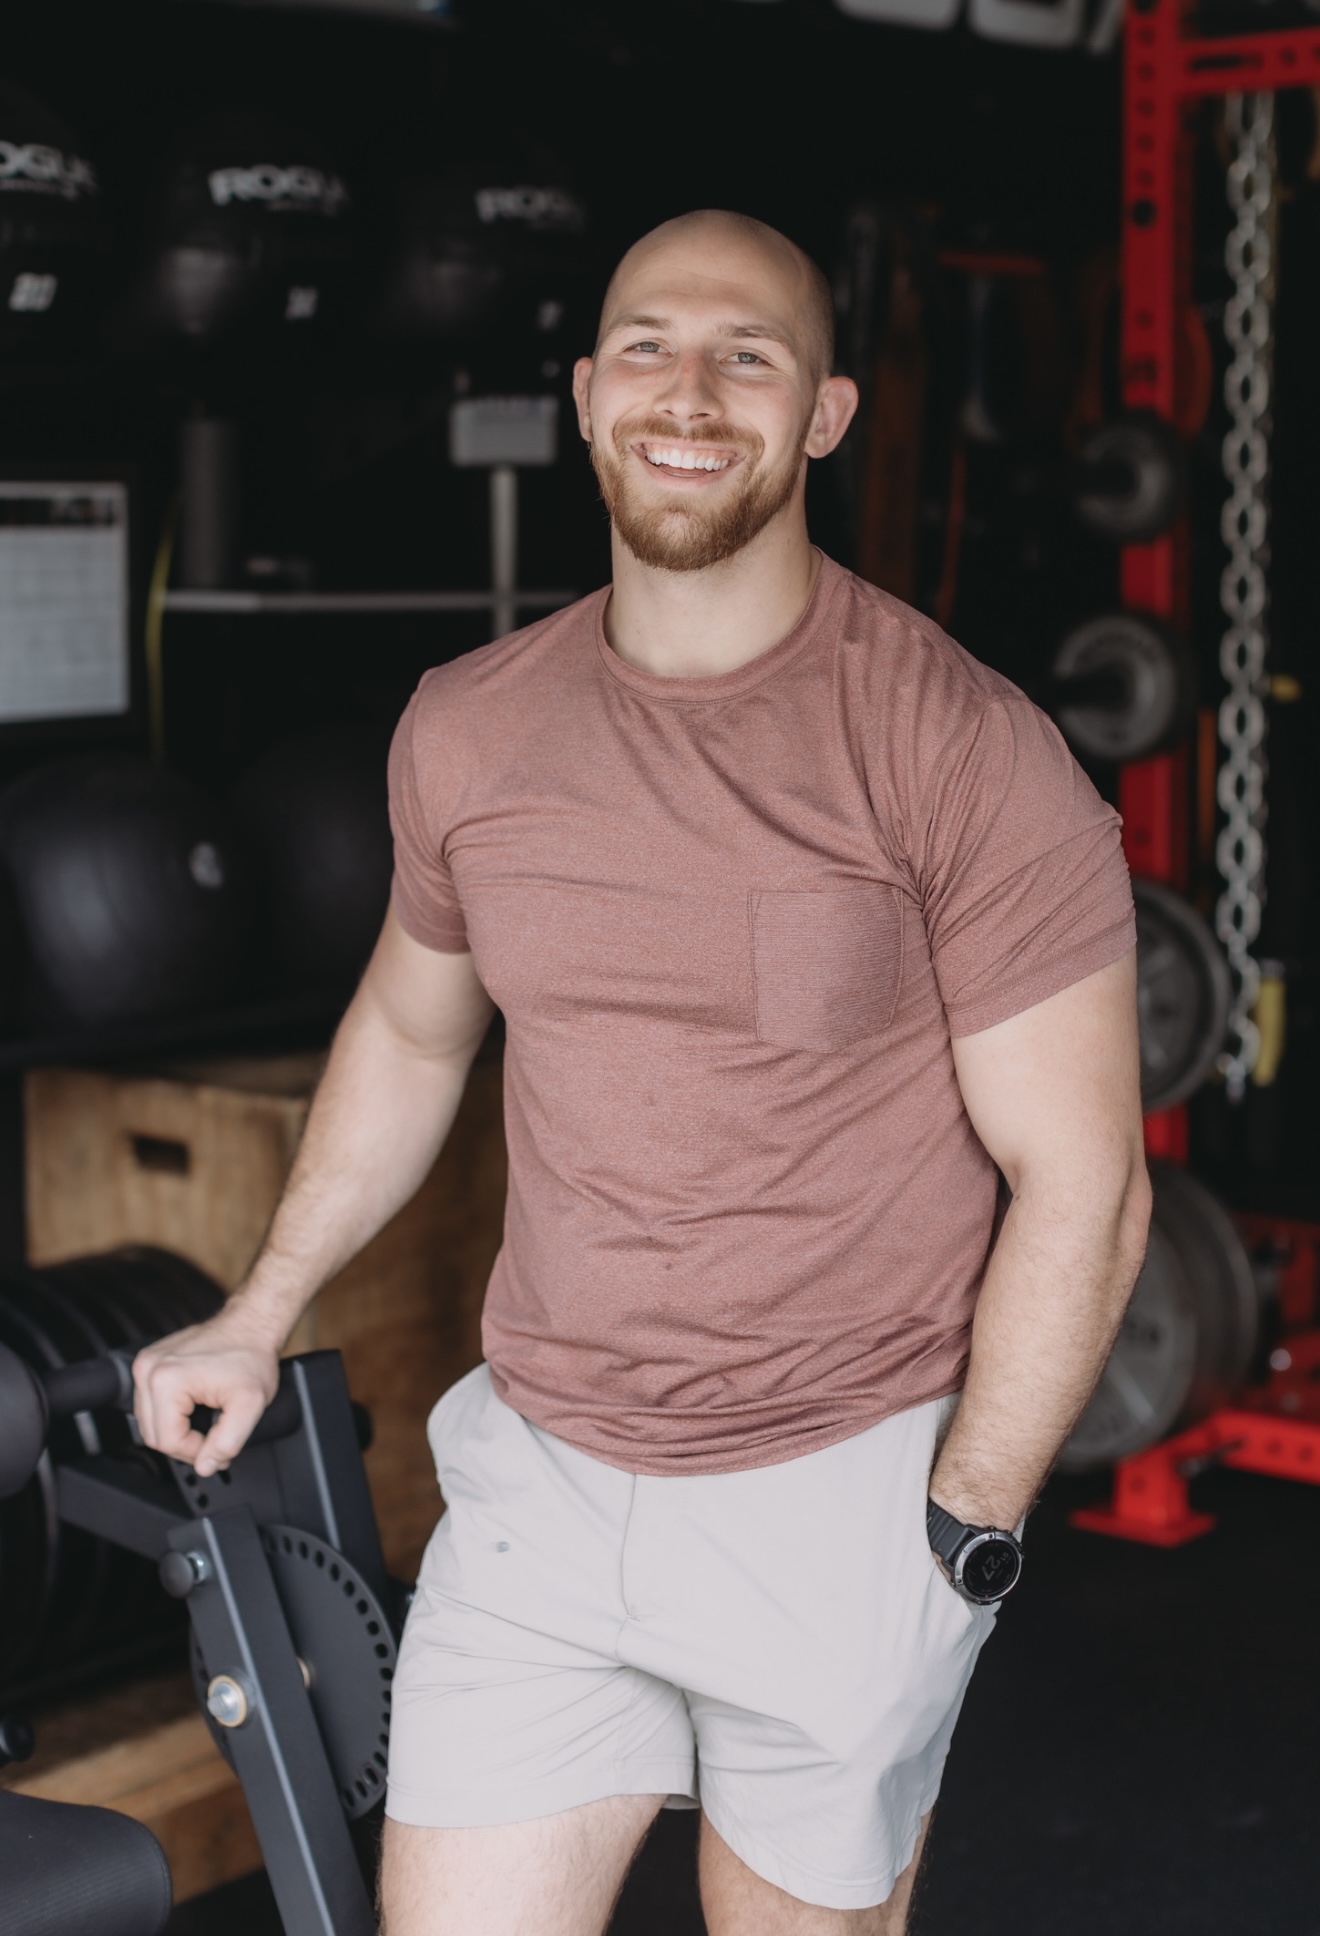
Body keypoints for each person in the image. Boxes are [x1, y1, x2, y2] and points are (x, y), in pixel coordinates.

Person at [133, 209, 1150, 1936]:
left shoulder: (962, 748)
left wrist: (963, 1532)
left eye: (749, 356)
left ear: (824, 414)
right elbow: (412, 1028)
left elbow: (1088, 1183)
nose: (691, 394)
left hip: (840, 1498)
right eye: (650, 349)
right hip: (541, 1484)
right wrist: (259, 1306)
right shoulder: (470, 726)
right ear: (588, 395)